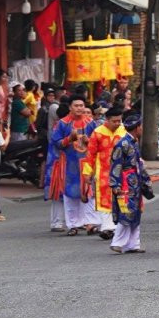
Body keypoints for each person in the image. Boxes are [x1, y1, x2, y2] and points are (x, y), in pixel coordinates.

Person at [45, 98, 95, 234]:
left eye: (81, 105)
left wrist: (89, 141)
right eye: (76, 105)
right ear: (70, 108)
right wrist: (69, 139)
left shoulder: (90, 123)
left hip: (86, 163)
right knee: (70, 195)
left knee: (88, 193)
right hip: (69, 164)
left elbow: (97, 142)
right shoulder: (62, 124)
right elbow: (56, 143)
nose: (79, 108)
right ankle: (73, 225)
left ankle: (91, 223)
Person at [107, 115, 148, 254]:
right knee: (126, 211)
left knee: (136, 211)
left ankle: (133, 244)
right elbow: (115, 164)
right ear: (137, 128)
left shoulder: (133, 142)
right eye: (141, 126)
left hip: (134, 180)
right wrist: (115, 184)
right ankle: (117, 242)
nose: (142, 129)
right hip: (125, 182)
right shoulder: (122, 144)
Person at [86, 108, 126, 239]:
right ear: (107, 121)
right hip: (103, 171)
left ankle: (119, 227)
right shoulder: (97, 133)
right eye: (114, 121)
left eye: (119, 121)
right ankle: (108, 227)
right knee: (104, 198)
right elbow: (90, 154)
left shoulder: (123, 131)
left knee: (120, 197)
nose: (117, 123)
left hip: (122, 171)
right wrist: (88, 172)